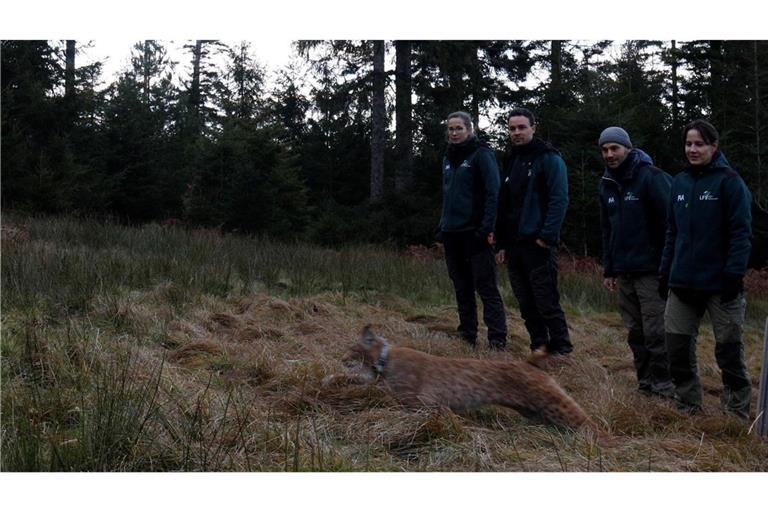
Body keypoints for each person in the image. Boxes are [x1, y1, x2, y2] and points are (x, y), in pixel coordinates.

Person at [659, 119, 753, 418]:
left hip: (721, 285)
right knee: (676, 348)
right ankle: (688, 405)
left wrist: (733, 275)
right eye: (688, 144)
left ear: (714, 146)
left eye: (699, 144)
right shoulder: (680, 183)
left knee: (728, 351)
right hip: (682, 283)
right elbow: (672, 232)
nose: (693, 149)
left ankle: (736, 413)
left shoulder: (730, 182)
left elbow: (741, 233)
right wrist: (665, 273)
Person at [597, 126, 674, 397]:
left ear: (627, 148)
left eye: (614, 148)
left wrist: (668, 265)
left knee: (656, 332)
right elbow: (607, 229)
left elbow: (672, 223)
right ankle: (646, 383)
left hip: (652, 270)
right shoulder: (606, 183)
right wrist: (609, 268)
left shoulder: (651, 177)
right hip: (624, 270)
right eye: (605, 150)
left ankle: (665, 386)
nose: (609, 154)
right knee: (635, 332)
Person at [495, 107, 572, 355]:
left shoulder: (549, 159)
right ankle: (539, 347)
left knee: (546, 301)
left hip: (537, 244)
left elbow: (559, 200)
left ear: (533, 128)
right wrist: (501, 243)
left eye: (521, 127)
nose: (516, 132)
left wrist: (546, 237)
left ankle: (561, 350)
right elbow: (504, 204)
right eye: (512, 128)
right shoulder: (512, 159)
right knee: (526, 303)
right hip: (514, 245)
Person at [439, 111, 507, 350]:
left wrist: (486, 228)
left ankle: (497, 339)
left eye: (458, 128)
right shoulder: (448, 157)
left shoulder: (482, 154)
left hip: (475, 233)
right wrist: (442, 227)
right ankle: (467, 334)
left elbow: (493, 193)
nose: (454, 133)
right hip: (452, 233)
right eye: (451, 129)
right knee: (461, 286)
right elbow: (447, 195)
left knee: (486, 287)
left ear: (469, 129)